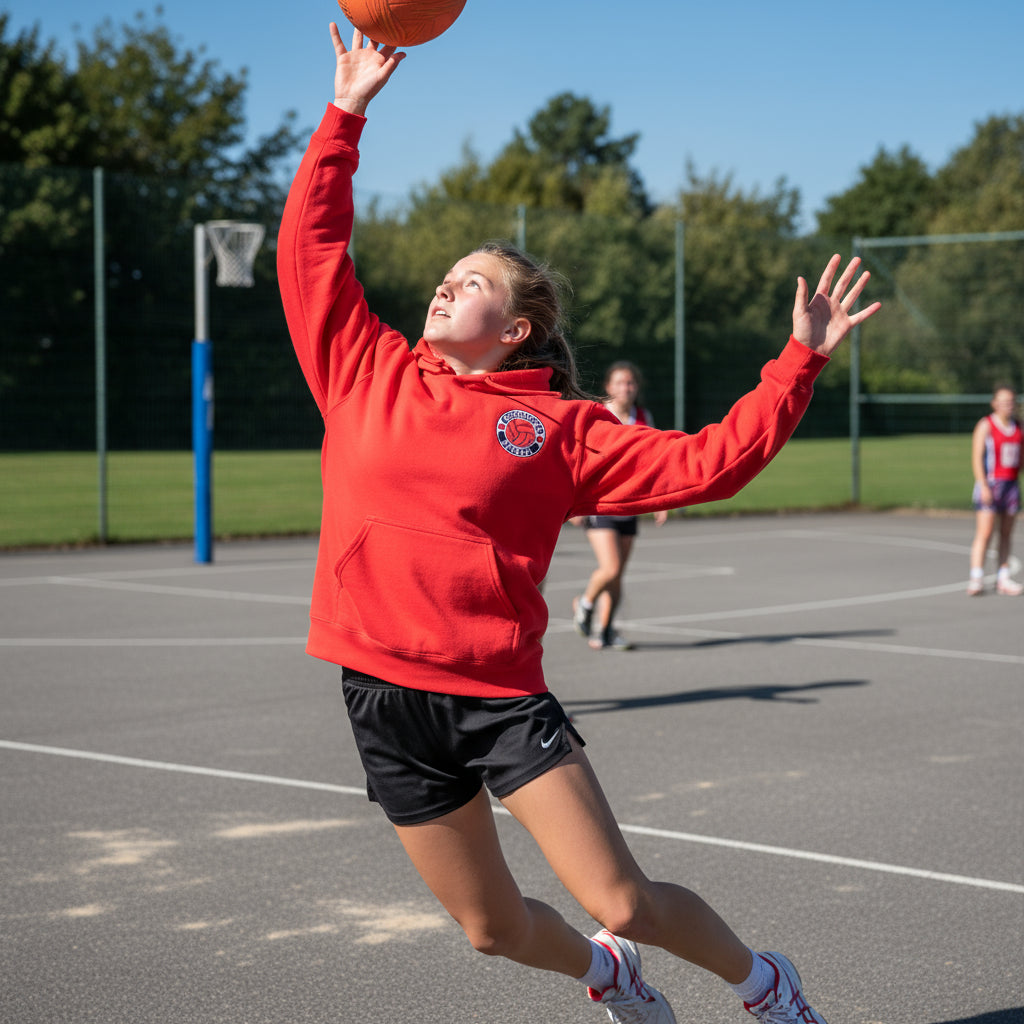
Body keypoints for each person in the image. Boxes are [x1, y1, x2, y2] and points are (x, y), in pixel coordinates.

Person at [277, 26, 881, 1024]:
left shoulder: (557, 427)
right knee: (492, 930)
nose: (445, 284)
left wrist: (796, 363)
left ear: (515, 329)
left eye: (471, 282)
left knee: (622, 898)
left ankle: (762, 982)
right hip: (382, 695)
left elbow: (707, 463)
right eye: (448, 273)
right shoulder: (364, 368)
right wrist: (345, 113)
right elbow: (311, 248)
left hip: (498, 698)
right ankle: (606, 977)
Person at [573, 361, 668, 651]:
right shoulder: (598, 414)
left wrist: (660, 499)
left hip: (630, 503)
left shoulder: (643, 417)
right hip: (600, 504)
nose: (626, 388)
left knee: (618, 574)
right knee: (611, 567)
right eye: (620, 383)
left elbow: (652, 461)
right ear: (608, 387)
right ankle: (584, 606)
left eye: (630, 383)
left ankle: (605, 631)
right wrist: (576, 503)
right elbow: (579, 459)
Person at [967, 384, 1022, 596]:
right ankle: (976, 577)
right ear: (994, 403)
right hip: (991, 483)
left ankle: (1004, 577)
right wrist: (983, 485)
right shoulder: (986, 425)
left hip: (1011, 485)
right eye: (1003, 401)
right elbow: (977, 457)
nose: (1007, 405)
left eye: (1011, 401)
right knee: (985, 532)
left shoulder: (1018, 427)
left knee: (1006, 533)